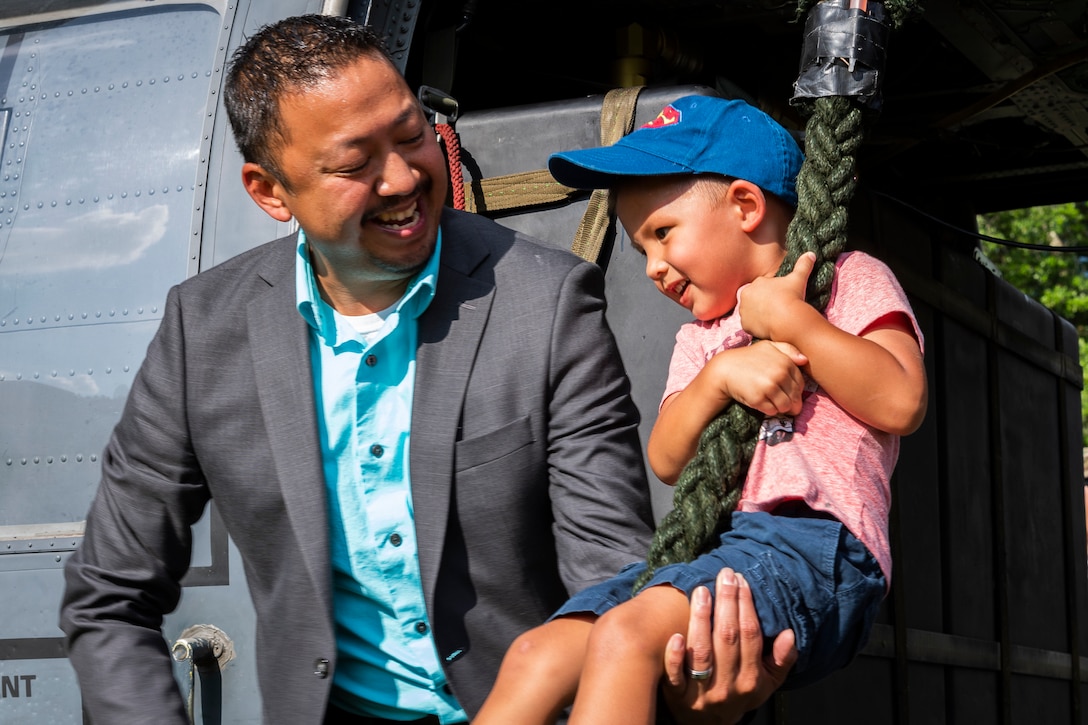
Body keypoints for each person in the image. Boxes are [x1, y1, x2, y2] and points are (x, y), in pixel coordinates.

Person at [58, 16, 790, 725]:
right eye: (355, 164)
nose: (404, 178)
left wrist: (679, 687)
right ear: (270, 191)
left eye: (412, 137)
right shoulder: (202, 329)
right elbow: (108, 595)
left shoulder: (546, 300)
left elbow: (610, 572)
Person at [474, 95, 928, 725]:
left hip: (817, 546)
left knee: (624, 639)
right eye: (641, 250)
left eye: (663, 234)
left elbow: (900, 400)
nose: (655, 267)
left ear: (745, 205)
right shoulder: (702, 339)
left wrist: (793, 323)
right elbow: (666, 458)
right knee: (538, 653)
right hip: (716, 547)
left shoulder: (848, 279)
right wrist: (718, 377)